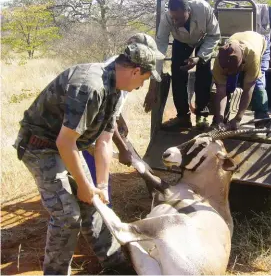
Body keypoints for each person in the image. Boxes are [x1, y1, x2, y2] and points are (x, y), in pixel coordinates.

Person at [13, 36, 162, 275]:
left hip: (67, 146)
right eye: (144, 79)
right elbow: (64, 141)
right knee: (67, 216)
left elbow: (104, 140)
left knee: (94, 203)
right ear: (136, 71)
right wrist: (83, 184)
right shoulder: (90, 86)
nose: (142, 86)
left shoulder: (115, 88)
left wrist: (100, 186)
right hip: (40, 146)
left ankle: (117, 266)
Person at [82, 33, 162, 206]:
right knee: (97, 181)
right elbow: (103, 125)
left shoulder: (119, 69)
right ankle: (101, 218)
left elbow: (111, 112)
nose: (141, 86)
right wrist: (122, 148)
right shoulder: (119, 76)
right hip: (84, 136)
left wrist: (120, 120)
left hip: (88, 132)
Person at [144, 0, 221, 129]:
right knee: (178, 75)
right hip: (181, 42)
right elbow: (159, 50)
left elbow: (214, 36)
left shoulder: (203, 8)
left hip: (203, 40)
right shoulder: (167, 18)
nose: (175, 22)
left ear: (188, 11)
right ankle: (183, 117)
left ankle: (201, 114)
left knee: (204, 72)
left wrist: (199, 57)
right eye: (173, 18)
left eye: (179, 18)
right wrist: (153, 85)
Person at [212, 30, 267, 130]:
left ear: (242, 63)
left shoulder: (253, 57)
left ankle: (261, 121)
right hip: (239, 39)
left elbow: (248, 89)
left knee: (258, 85)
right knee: (228, 86)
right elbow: (221, 91)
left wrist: (238, 118)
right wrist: (219, 120)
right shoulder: (220, 60)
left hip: (259, 43)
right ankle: (220, 120)